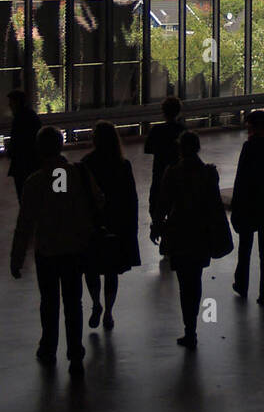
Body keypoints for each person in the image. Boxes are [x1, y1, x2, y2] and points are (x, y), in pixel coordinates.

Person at [10, 126, 103, 377]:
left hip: (48, 251)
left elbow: (25, 225)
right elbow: (99, 202)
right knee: (74, 302)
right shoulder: (79, 174)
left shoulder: (35, 182)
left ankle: (48, 347)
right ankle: (75, 353)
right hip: (75, 249)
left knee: (49, 302)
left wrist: (16, 258)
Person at [160, 130, 229, 348]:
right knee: (195, 281)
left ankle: (189, 328)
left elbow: (163, 203)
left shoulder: (172, 172)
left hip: (179, 233)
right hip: (200, 233)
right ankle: (192, 327)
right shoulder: (208, 173)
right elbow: (215, 206)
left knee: (183, 284)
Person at [81, 121, 141, 331]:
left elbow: (81, 198)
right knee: (111, 271)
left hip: (93, 224)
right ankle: (108, 312)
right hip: (117, 224)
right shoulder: (122, 165)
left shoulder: (86, 163)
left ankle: (96, 303)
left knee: (91, 268)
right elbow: (131, 199)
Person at [231, 110, 264, 306]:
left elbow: (241, 178)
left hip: (248, 203)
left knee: (245, 247)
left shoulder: (250, 146)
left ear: (253, 126)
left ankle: (242, 284)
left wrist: (236, 205)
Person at [146, 96, 185, 244]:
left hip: (159, 174)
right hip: (178, 174)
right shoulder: (182, 130)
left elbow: (148, 148)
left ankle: (161, 230)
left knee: (155, 205)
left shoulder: (157, 130)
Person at [6, 88, 40, 203]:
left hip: (22, 162)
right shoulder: (30, 116)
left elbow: (17, 139)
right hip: (30, 161)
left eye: (11, 102)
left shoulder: (19, 118)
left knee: (23, 194)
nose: (9, 105)